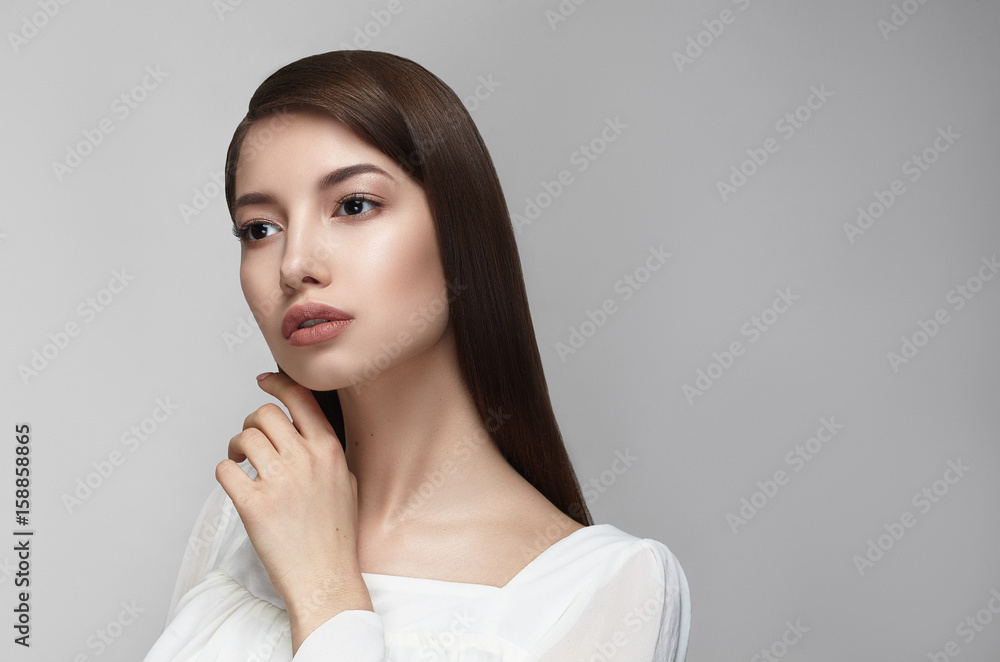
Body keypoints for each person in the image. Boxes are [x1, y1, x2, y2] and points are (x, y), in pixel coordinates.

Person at [144, 50, 690, 661]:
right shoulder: (247, 508)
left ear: (460, 230)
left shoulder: (605, 585)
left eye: (353, 205)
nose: (294, 264)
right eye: (259, 228)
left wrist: (326, 593)